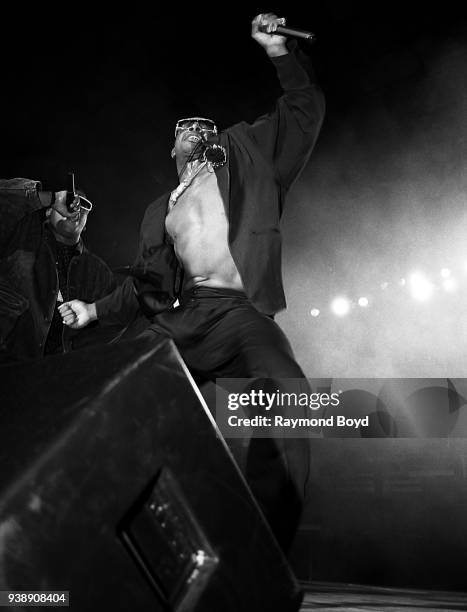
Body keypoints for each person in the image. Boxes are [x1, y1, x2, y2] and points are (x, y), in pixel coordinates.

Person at [59, 13, 325, 552]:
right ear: (172, 146)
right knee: (125, 391)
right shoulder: (161, 210)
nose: (197, 130)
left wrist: (279, 53)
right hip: (190, 314)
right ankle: (95, 530)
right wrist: (92, 311)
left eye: (205, 126)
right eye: (185, 127)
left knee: (292, 398)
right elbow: (146, 284)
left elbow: (303, 112)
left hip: (243, 310)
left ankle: (263, 551)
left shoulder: (247, 155)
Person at [0, 177, 121, 363]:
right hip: (10, 372)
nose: (75, 206)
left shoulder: (99, 273)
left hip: (63, 380)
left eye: (84, 205)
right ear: (49, 212)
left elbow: (112, 333)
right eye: (70, 200)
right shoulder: (21, 238)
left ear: (86, 224)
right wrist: (52, 198)